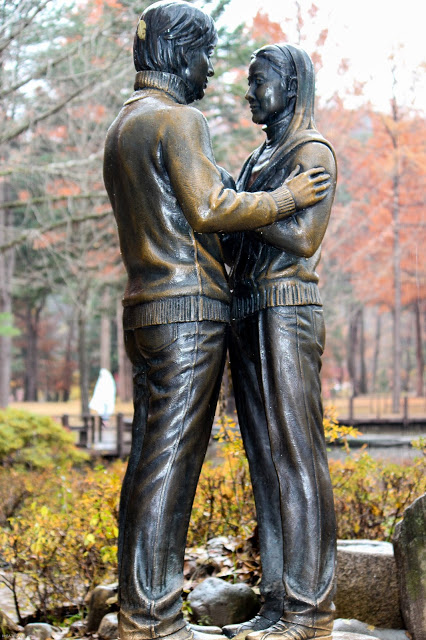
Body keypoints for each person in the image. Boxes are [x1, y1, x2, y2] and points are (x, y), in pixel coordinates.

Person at [103, 4, 330, 639]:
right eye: (205, 54)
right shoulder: (177, 119)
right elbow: (209, 206)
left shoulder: (126, 122)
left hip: (151, 307)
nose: (211, 72)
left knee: (154, 459)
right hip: (187, 308)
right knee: (170, 463)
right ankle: (152, 619)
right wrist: (282, 198)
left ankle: (147, 612)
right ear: (178, 51)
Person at [223, 44, 337, 640]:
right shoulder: (255, 159)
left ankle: (310, 609)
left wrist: (239, 208)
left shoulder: (310, 151)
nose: (248, 91)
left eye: (258, 81)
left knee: (297, 455)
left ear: (290, 88)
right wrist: (232, 200)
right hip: (247, 311)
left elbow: (302, 237)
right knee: (264, 461)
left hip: (287, 311)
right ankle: (275, 601)